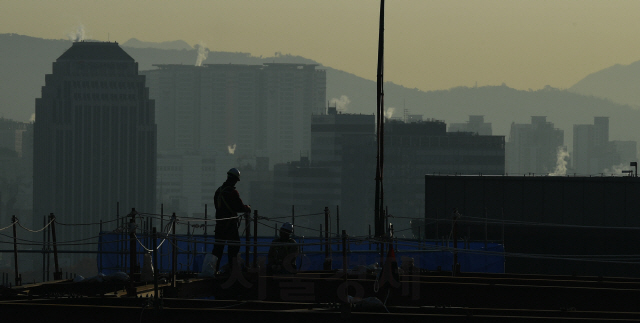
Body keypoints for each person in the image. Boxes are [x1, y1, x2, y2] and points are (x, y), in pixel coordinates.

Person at [212, 168, 251, 272]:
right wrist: (247, 208)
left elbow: (217, 206)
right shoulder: (232, 192)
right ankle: (232, 268)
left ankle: (213, 269)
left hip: (219, 224)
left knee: (218, 249)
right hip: (230, 225)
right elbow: (239, 207)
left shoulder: (218, 190)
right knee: (234, 246)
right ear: (235, 179)